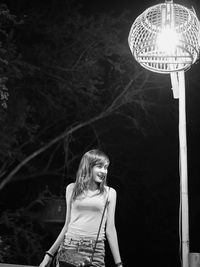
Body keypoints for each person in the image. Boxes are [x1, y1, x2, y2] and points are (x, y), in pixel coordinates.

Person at [39, 149, 123, 267]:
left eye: (106, 167)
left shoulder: (110, 193)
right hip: (70, 246)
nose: (104, 171)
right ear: (88, 166)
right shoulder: (71, 189)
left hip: (95, 250)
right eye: (99, 166)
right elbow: (67, 225)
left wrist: (119, 264)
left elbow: (110, 230)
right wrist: (49, 254)